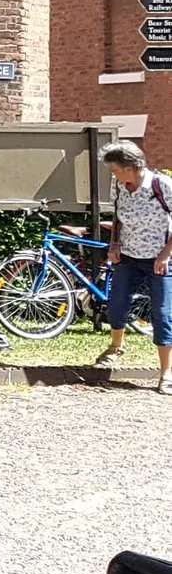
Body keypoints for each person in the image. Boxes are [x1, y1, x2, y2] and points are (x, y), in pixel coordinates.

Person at [97, 140, 172, 392]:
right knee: (116, 305)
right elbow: (117, 217)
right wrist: (114, 244)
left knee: (161, 315)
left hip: (159, 261)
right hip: (128, 257)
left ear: (132, 166)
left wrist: (164, 255)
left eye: (115, 168)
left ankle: (166, 373)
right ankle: (116, 346)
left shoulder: (161, 186)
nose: (112, 172)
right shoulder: (118, 186)